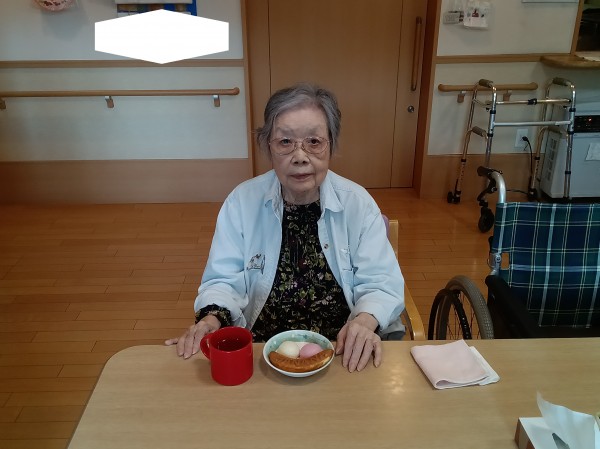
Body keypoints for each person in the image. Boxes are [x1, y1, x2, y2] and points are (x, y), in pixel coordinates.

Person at [165, 83, 405, 372]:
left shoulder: (358, 203)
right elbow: (222, 280)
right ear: (269, 146)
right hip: (261, 353)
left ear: (331, 144)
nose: (300, 156)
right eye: (285, 142)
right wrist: (210, 319)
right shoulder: (242, 202)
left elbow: (381, 281)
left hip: (343, 352)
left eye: (314, 141)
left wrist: (365, 321)